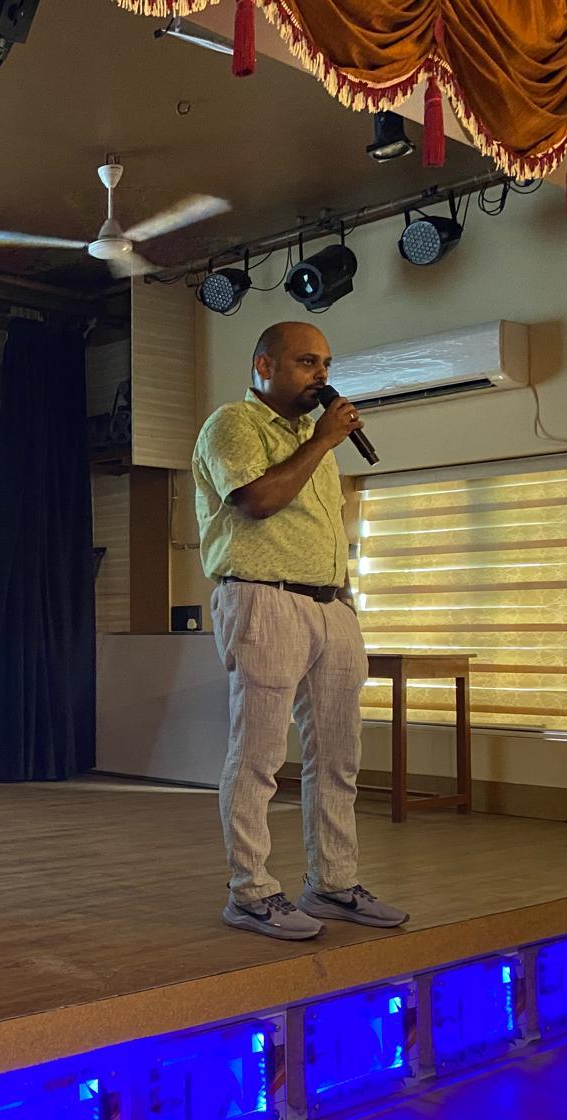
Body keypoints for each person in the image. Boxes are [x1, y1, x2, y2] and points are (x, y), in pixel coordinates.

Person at [191, 321, 408, 941]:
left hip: (330, 607)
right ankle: (250, 892)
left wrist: (346, 605)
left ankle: (333, 884)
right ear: (264, 365)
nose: (321, 374)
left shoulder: (313, 441)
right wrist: (323, 439)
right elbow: (256, 501)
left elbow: (321, 528)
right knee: (260, 756)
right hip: (264, 598)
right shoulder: (234, 424)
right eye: (307, 362)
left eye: (326, 364)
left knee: (338, 756)